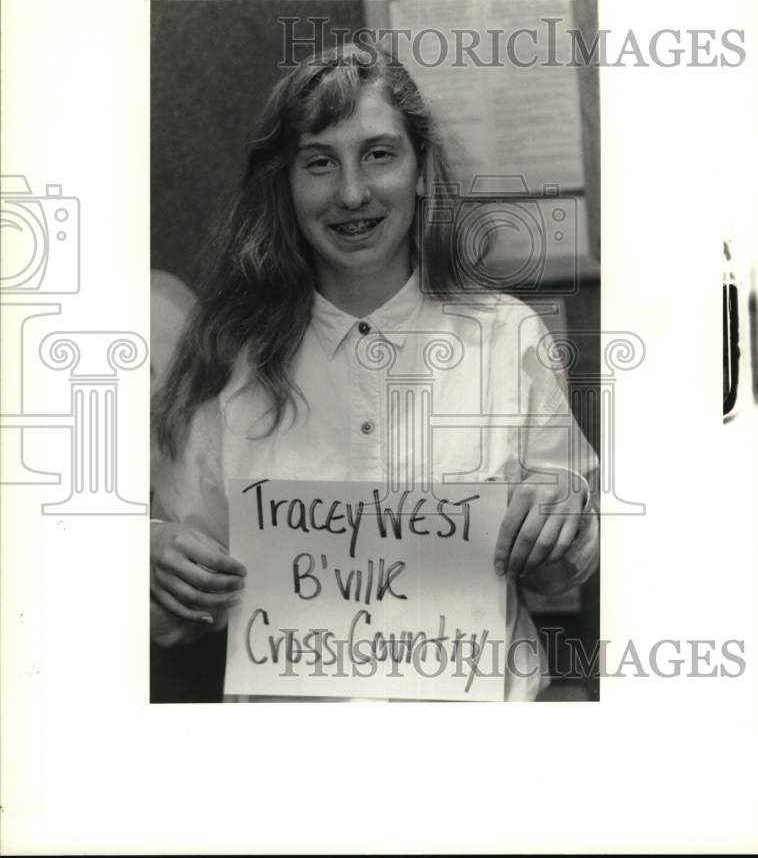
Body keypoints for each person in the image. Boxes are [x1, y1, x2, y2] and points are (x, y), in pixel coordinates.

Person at [150, 40, 599, 701]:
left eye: (379, 154)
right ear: (287, 182)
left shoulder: (507, 338)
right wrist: (153, 555)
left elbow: (563, 574)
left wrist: (565, 518)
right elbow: (187, 604)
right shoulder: (230, 355)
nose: (352, 192)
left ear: (420, 168)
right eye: (319, 162)